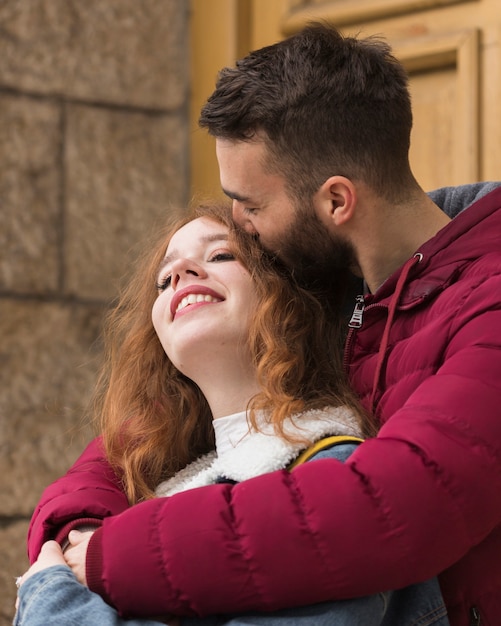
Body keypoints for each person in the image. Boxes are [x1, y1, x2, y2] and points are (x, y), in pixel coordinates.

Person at [24, 23, 501, 626]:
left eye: (249, 206)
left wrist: (91, 568)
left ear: (336, 202)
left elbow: (391, 508)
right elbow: (135, 440)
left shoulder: (487, 303)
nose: (239, 226)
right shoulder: (326, 271)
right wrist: (74, 529)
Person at [16, 202, 448, 625]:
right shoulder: (151, 491)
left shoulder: (336, 473)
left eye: (221, 255)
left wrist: (49, 599)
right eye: (164, 279)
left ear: (293, 297)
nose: (180, 273)